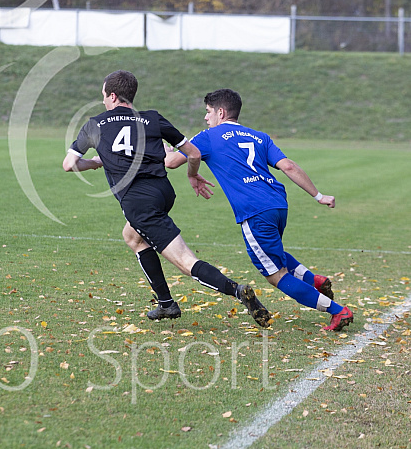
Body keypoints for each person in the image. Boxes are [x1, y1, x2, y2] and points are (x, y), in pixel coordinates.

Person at [62, 71, 271, 327]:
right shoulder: (151, 118)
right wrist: (193, 176)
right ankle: (165, 304)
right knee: (132, 236)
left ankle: (238, 291)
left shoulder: (95, 124)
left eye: (104, 95)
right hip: (163, 192)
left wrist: (95, 162)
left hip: (138, 202)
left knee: (185, 261)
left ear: (113, 96)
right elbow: (193, 154)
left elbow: (69, 164)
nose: (103, 100)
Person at [164, 88, 353, 331]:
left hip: (253, 210)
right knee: (275, 254)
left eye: (208, 112)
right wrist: (319, 195)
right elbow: (289, 166)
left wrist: (169, 152)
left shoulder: (208, 136)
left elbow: (172, 163)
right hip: (277, 203)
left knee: (275, 275)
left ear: (220, 112)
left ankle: (339, 311)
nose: (206, 118)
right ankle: (314, 280)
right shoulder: (260, 136)